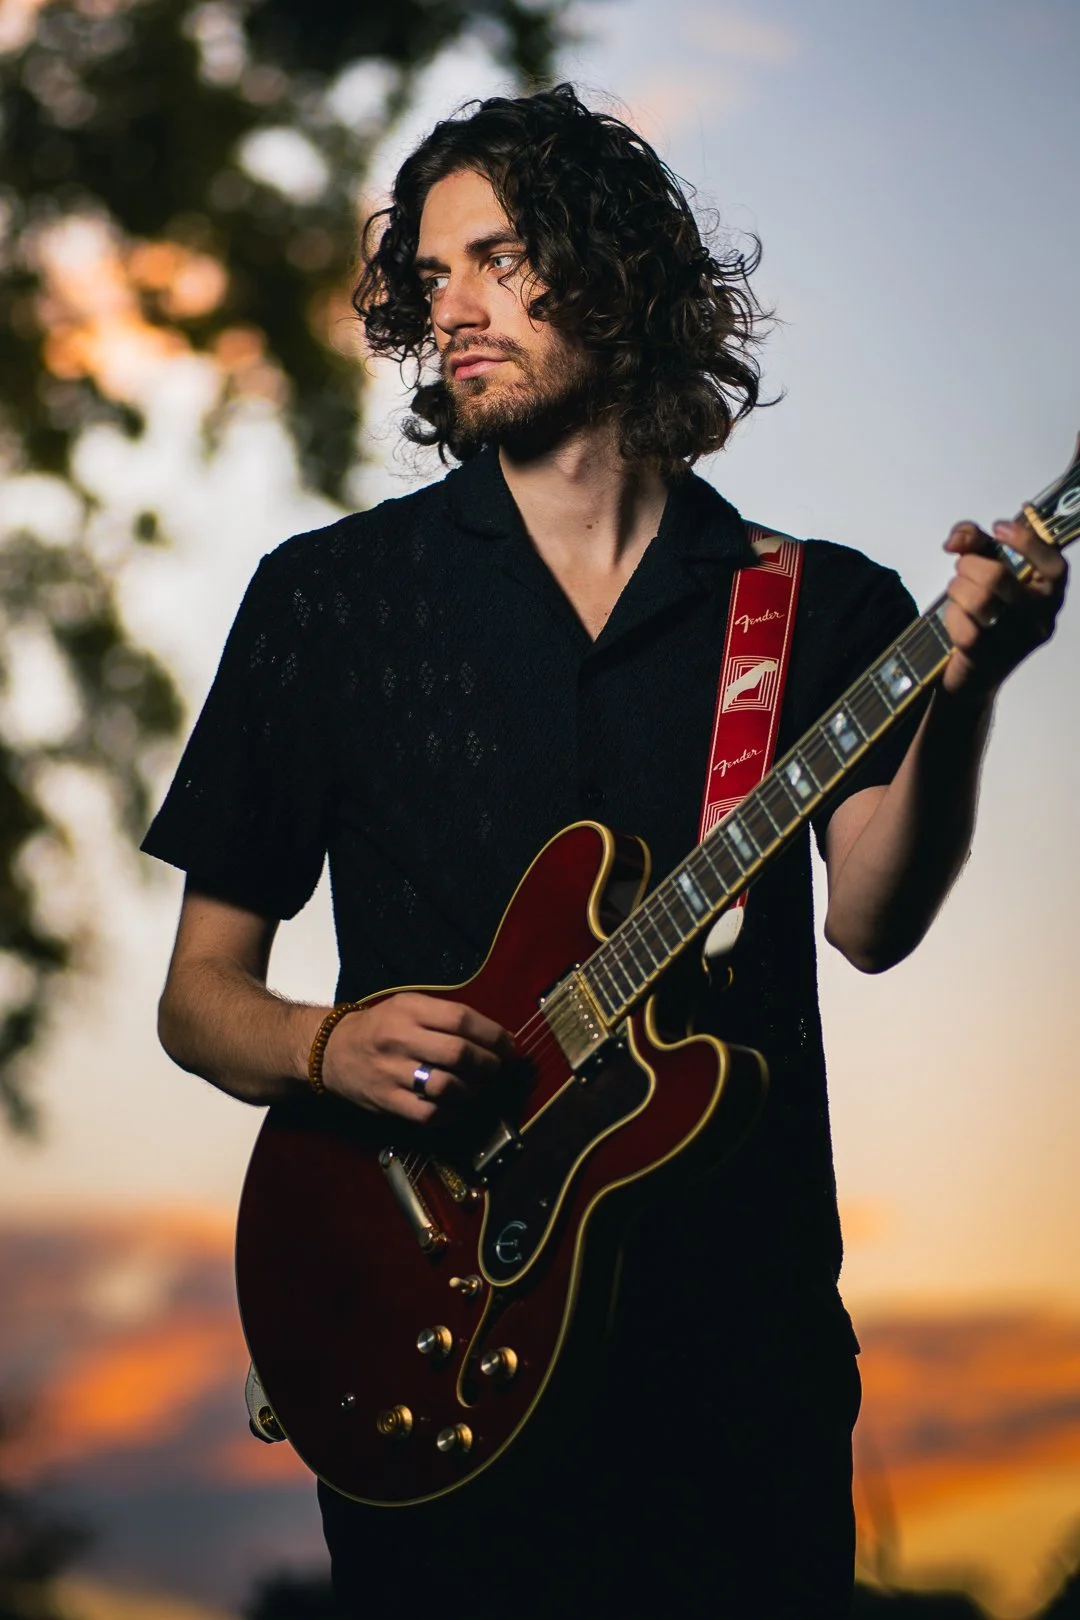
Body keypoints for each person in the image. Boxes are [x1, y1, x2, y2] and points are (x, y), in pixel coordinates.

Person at [143, 85, 1066, 1619]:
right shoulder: (331, 602)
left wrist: (969, 682)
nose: (454, 310)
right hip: (438, 1372)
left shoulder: (813, 604)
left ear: (617, 273)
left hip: (738, 1383)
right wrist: (323, 1044)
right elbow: (197, 995)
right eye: (432, 277)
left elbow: (873, 923)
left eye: (499, 259)